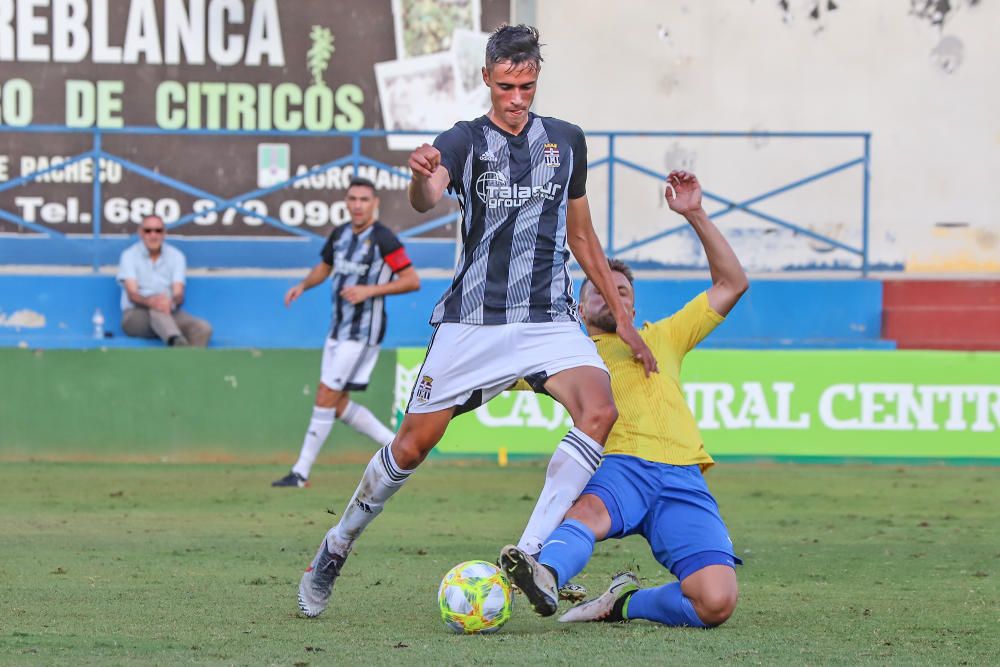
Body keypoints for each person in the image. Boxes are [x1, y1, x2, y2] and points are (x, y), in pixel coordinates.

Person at [296, 24, 656, 618]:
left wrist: (623, 319)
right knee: (412, 446)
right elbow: (426, 195)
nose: (517, 98)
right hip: (474, 321)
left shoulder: (566, 142)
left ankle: (533, 554)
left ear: (537, 78)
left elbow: (584, 236)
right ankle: (335, 547)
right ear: (487, 77)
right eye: (507, 86)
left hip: (548, 317)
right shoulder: (463, 140)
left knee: (600, 410)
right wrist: (420, 174)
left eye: (528, 86)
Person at [500, 170, 749, 629]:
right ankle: (544, 574)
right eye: (599, 289)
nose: (613, 296)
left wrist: (694, 214)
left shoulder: (665, 337)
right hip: (620, 466)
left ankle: (622, 603)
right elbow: (496, 373)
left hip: (683, 477)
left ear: (632, 308)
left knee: (715, 602)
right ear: (578, 308)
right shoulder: (565, 354)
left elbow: (732, 283)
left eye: (622, 291)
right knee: (587, 513)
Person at [272, 177, 420, 488]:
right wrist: (302, 285)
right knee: (336, 403)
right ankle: (398, 449)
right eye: (352, 199)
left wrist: (370, 290)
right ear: (346, 202)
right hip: (337, 329)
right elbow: (325, 267)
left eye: (364, 199)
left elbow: (411, 280)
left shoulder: (384, 239)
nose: (357, 205)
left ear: (375, 203)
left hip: (363, 332)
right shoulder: (339, 235)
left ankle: (300, 472)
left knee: (326, 394)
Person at [117, 215, 212, 347]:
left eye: (158, 230)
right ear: (140, 233)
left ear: (164, 233)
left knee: (202, 328)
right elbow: (132, 295)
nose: (153, 235)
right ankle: (176, 342)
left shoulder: (177, 256)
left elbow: (179, 295)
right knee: (157, 310)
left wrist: (169, 303)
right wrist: (153, 302)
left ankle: (191, 363)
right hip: (136, 315)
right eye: (148, 231)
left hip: (169, 311)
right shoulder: (129, 255)